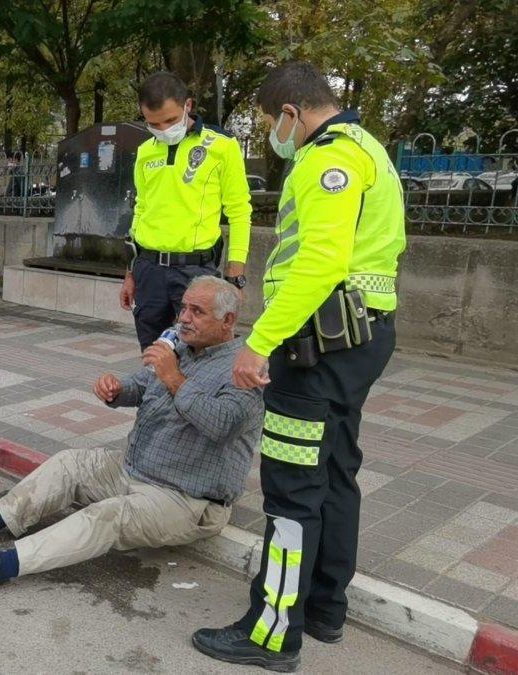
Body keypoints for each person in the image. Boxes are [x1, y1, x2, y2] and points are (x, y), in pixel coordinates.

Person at [191, 62, 406, 673]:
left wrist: (259, 342)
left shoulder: (324, 160)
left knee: (291, 493)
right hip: (360, 340)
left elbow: (318, 262)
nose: (271, 136)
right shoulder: (371, 149)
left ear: (291, 113)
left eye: (269, 123)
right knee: (336, 471)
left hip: (314, 348)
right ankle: (324, 610)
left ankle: (271, 632)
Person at [0, 276, 262, 587]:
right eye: (184, 308)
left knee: (107, 516)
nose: (184, 318)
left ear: (228, 321)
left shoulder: (244, 370)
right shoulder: (183, 349)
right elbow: (144, 382)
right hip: (134, 470)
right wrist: (117, 388)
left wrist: (173, 376)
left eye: (197, 311)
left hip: (186, 498)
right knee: (68, 463)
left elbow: (221, 425)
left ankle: (4, 564)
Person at [121, 71, 253, 349]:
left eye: (170, 120)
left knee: (199, 354)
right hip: (149, 271)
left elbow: (240, 211)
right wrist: (130, 273)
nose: (164, 129)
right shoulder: (145, 151)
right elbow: (141, 209)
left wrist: (235, 276)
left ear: (188, 106)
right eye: (153, 123)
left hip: (195, 271)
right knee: (154, 355)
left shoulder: (221, 145)